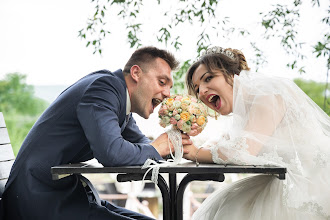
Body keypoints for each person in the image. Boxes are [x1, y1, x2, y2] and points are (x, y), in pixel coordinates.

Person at [1, 46, 192, 220]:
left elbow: (143, 146)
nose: (168, 93)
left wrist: (176, 139)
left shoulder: (119, 102)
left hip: (68, 195)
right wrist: (157, 147)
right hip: (39, 200)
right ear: (136, 73)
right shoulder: (104, 89)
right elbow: (112, 153)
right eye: (161, 82)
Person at [183, 46, 330, 219]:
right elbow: (222, 142)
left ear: (232, 74)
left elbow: (243, 151)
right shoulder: (243, 111)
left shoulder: (268, 93)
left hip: (311, 187)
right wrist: (189, 142)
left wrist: (195, 153)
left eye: (208, 78)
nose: (202, 92)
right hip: (287, 180)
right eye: (197, 88)